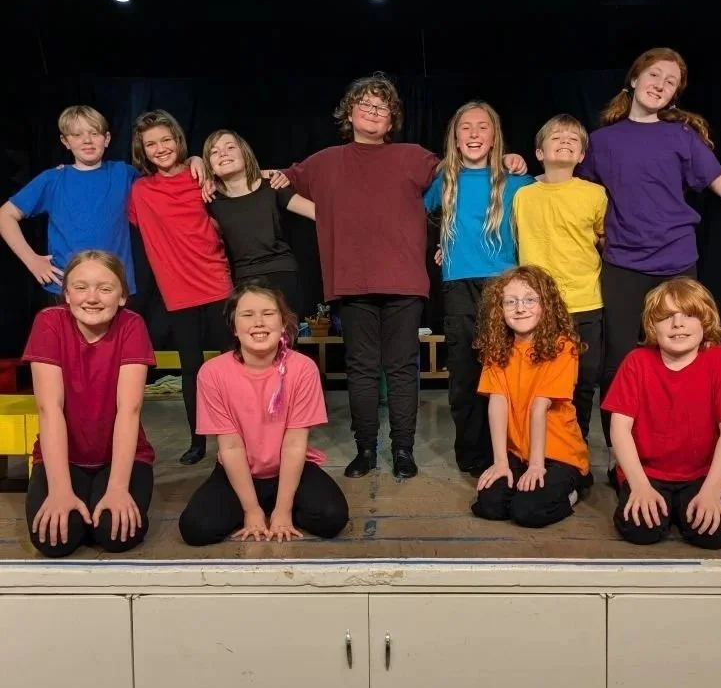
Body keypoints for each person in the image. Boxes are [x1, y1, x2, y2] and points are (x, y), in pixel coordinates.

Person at [270, 74, 527, 480]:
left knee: (404, 368)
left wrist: (510, 159)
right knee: (361, 368)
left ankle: (403, 450)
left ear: (392, 120)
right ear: (349, 113)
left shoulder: (414, 158)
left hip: (404, 280)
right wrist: (328, 219)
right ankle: (366, 449)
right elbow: (276, 181)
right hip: (351, 280)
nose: (374, 112)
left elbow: (463, 174)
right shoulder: (325, 160)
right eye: (366, 104)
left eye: (383, 107)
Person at [577, 47, 721, 491]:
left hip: (676, 261)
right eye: (654, 75)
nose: (660, 84)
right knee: (621, 363)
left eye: (670, 81)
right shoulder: (602, 142)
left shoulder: (681, 138)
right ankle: (622, 463)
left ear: (674, 95)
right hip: (623, 265)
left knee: (689, 361)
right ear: (634, 79)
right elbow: (576, 196)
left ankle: (701, 463)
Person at [179, 283, 349, 545]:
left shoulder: (303, 369)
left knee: (332, 518)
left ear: (283, 324)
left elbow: (294, 443)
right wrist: (251, 510)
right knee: (196, 529)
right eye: (247, 315)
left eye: (268, 313)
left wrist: (283, 510)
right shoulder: (212, 373)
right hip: (239, 470)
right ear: (234, 327)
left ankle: (277, 505)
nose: (258, 322)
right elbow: (231, 446)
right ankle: (254, 506)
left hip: (289, 468)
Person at [423, 101, 534, 477]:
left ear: (494, 135)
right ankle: (472, 454)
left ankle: (513, 449)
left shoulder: (515, 181)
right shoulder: (444, 180)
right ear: (455, 137)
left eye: (482, 127)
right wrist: (441, 245)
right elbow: (411, 216)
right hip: (458, 285)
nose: (474, 134)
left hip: (505, 286)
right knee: (466, 373)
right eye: (465, 127)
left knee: (508, 369)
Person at [22, 250, 155, 558]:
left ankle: (98, 506)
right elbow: (50, 410)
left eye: (105, 288)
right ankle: (81, 505)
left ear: (122, 297)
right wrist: (59, 491)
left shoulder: (132, 326)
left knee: (114, 535)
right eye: (81, 287)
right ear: (67, 295)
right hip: (65, 458)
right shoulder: (49, 323)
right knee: (54, 541)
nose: (92, 298)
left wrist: (118, 488)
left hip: (119, 458)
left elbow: (129, 411)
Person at [0, 104, 207, 301]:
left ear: (107, 139)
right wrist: (32, 260)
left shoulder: (124, 173)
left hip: (116, 286)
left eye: (94, 133)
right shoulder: (53, 179)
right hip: (66, 287)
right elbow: (5, 215)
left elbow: (164, 178)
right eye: (77, 135)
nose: (87, 141)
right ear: (65, 141)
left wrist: (193, 160)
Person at [605, 278, 721, 549]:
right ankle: (623, 479)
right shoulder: (637, 362)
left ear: (705, 321)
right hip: (648, 471)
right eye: (667, 317)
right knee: (641, 530)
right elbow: (620, 428)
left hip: (699, 474)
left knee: (713, 535)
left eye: (689, 315)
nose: (678, 324)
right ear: (652, 325)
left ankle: (684, 503)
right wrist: (639, 485)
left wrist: (712, 491)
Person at [128, 110, 233, 466]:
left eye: (166, 140)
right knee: (191, 368)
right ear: (142, 150)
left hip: (216, 283)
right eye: (151, 144)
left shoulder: (201, 176)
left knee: (231, 363)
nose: (160, 148)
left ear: (178, 140)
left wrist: (197, 161)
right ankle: (197, 441)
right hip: (178, 290)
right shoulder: (141, 191)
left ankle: (238, 436)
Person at [471, 265, 590, 527]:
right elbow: (497, 403)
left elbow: (539, 407)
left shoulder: (562, 346)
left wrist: (537, 466)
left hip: (557, 453)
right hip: (520, 452)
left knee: (527, 511)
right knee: (490, 504)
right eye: (510, 302)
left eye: (530, 300)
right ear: (499, 309)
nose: (520, 308)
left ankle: (575, 488)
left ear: (546, 304)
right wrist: (501, 462)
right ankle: (521, 478)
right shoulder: (498, 348)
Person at [513, 114, 607, 443]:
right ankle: (538, 450)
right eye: (556, 137)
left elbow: (606, 239)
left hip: (585, 301)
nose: (565, 141)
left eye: (573, 139)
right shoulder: (522, 195)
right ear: (539, 152)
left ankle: (575, 451)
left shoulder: (595, 194)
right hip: (538, 307)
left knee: (583, 382)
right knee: (539, 383)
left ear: (581, 155)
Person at [203, 129, 315, 315]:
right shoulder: (211, 201)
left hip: (282, 273)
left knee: (283, 330)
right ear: (210, 165)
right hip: (243, 279)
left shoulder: (271, 186)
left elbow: (316, 212)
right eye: (214, 151)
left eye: (230, 147)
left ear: (245, 154)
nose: (223, 153)